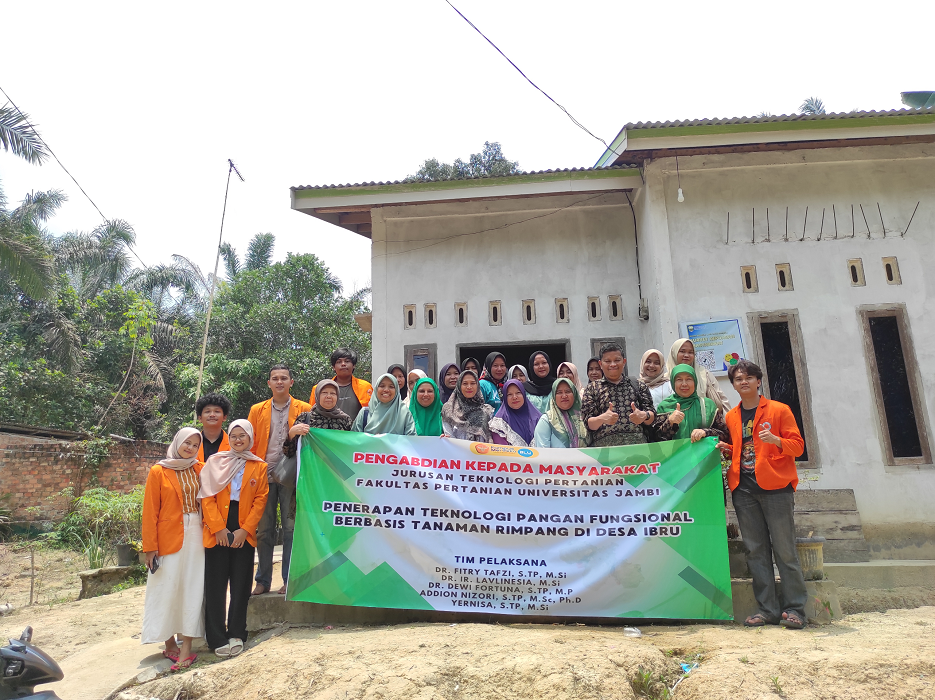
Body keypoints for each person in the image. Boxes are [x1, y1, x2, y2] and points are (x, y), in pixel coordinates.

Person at [718, 360, 807, 630]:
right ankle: (767, 609)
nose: (743, 382)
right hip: (744, 489)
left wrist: (777, 441)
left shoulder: (780, 410)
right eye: (737, 379)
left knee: (785, 550)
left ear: (759, 381)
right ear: (732, 385)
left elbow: (798, 447)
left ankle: (795, 609)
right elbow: (741, 448)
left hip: (776, 488)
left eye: (748, 377)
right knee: (756, 551)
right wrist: (727, 448)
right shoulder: (731, 416)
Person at [199, 420, 269, 658]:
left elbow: (261, 500)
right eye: (234, 436)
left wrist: (246, 530)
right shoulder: (215, 462)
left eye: (243, 436)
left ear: (250, 438)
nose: (238, 440)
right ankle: (216, 636)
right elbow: (206, 496)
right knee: (216, 585)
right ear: (229, 438)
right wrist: (217, 528)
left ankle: (237, 632)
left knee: (241, 584)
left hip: (243, 527)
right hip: (217, 524)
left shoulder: (258, 466)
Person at [141, 428, 204, 672]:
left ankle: (186, 647)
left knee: (192, 585)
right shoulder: (159, 471)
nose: (190, 448)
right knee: (166, 586)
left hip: (197, 531)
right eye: (186, 443)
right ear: (177, 442)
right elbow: (150, 511)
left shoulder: (200, 468)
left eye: (195, 445)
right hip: (167, 537)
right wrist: (150, 548)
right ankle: (168, 641)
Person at [248, 364, 312, 596]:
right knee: (263, 530)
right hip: (262, 476)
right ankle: (262, 580)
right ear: (269, 383)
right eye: (274, 378)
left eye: (284, 378)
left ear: (291, 382)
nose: (279, 382)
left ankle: (289, 579)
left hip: (290, 477)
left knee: (290, 529)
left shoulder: (304, 408)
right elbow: (250, 442)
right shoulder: (257, 410)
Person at [581, 342, 656, 447]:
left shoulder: (638, 385)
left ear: (624, 362)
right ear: (601, 364)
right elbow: (588, 423)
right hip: (606, 454)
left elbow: (652, 415)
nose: (613, 364)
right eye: (608, 361)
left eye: (617, 360)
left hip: (638, 452)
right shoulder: (592, 388)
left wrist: (644, 416)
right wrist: (602, 418)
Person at [652, 364, 728, 443]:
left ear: (695, 382)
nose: (684, 384)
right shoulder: (665, 407)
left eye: (688, 379)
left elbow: (725, 435)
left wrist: (706, 432)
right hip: (676, 455)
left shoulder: (707, 405)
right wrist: (669, 422)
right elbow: (656, 441)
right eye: (679, 379)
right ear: (673, 383)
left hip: (704, 455)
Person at [284, 379, 353, 459]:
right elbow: (289, 453)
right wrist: (291, 434)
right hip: (311, 469)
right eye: (324, 393)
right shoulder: (305, 418)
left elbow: (352, 450)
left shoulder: (345, 420)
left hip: (336, 469)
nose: (329, 396)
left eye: (333, 393)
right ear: (317, 395)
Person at [667, 339, 731, 413]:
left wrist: (729, 421)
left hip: (704, 420)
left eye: (690, 352)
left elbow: (722, 399)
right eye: (682, 351)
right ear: (674, 353)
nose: (687, 355)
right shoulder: (666, 379)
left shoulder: (704, 374)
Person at [310, 348, 373, 422]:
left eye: (347, 361)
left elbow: (373, 413)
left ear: (354, 365)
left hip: (357, 432)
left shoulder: (365, 387)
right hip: (327, 432)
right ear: (333, 367)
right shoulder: (318, 388)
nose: (343, 364)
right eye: (339, 362)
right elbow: (312, 414)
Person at [353, 374, 417, 435]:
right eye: (382, 386)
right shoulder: (365, 413)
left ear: (397, 391)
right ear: (376, 389)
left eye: (391, 387)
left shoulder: (404, 413)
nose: (386, 390)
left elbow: (412, 441)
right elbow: (354, 440)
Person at [534, 378, 588, 448]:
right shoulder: (547, 420)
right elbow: (542, 452)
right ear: (553, 396)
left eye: (568, 391)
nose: (564, 396)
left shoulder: (583, 417)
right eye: (559, 392)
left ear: (574, 393)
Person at [441, 370, 493, 441]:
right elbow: (449, 437)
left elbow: (490, 438)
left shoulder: (486, 411)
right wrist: (446, 439)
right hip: (457, 451)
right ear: (459, 385)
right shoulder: (449, 409)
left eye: (473, 383)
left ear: (477, 386)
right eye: (465, 383)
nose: (469, 387)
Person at [489, 379, 541, 446]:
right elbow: (501, 451)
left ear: (523, 394)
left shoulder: (538, 418)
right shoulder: (499, 422)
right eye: (509, 394)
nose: (514, 397)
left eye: (518, 393)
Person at [195, 393, 231, 462]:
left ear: (224, 417)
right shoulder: (190, 444)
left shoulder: (233, 445)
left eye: (217, 411)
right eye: (207, 411)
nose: (212, 415)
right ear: (200, 418)